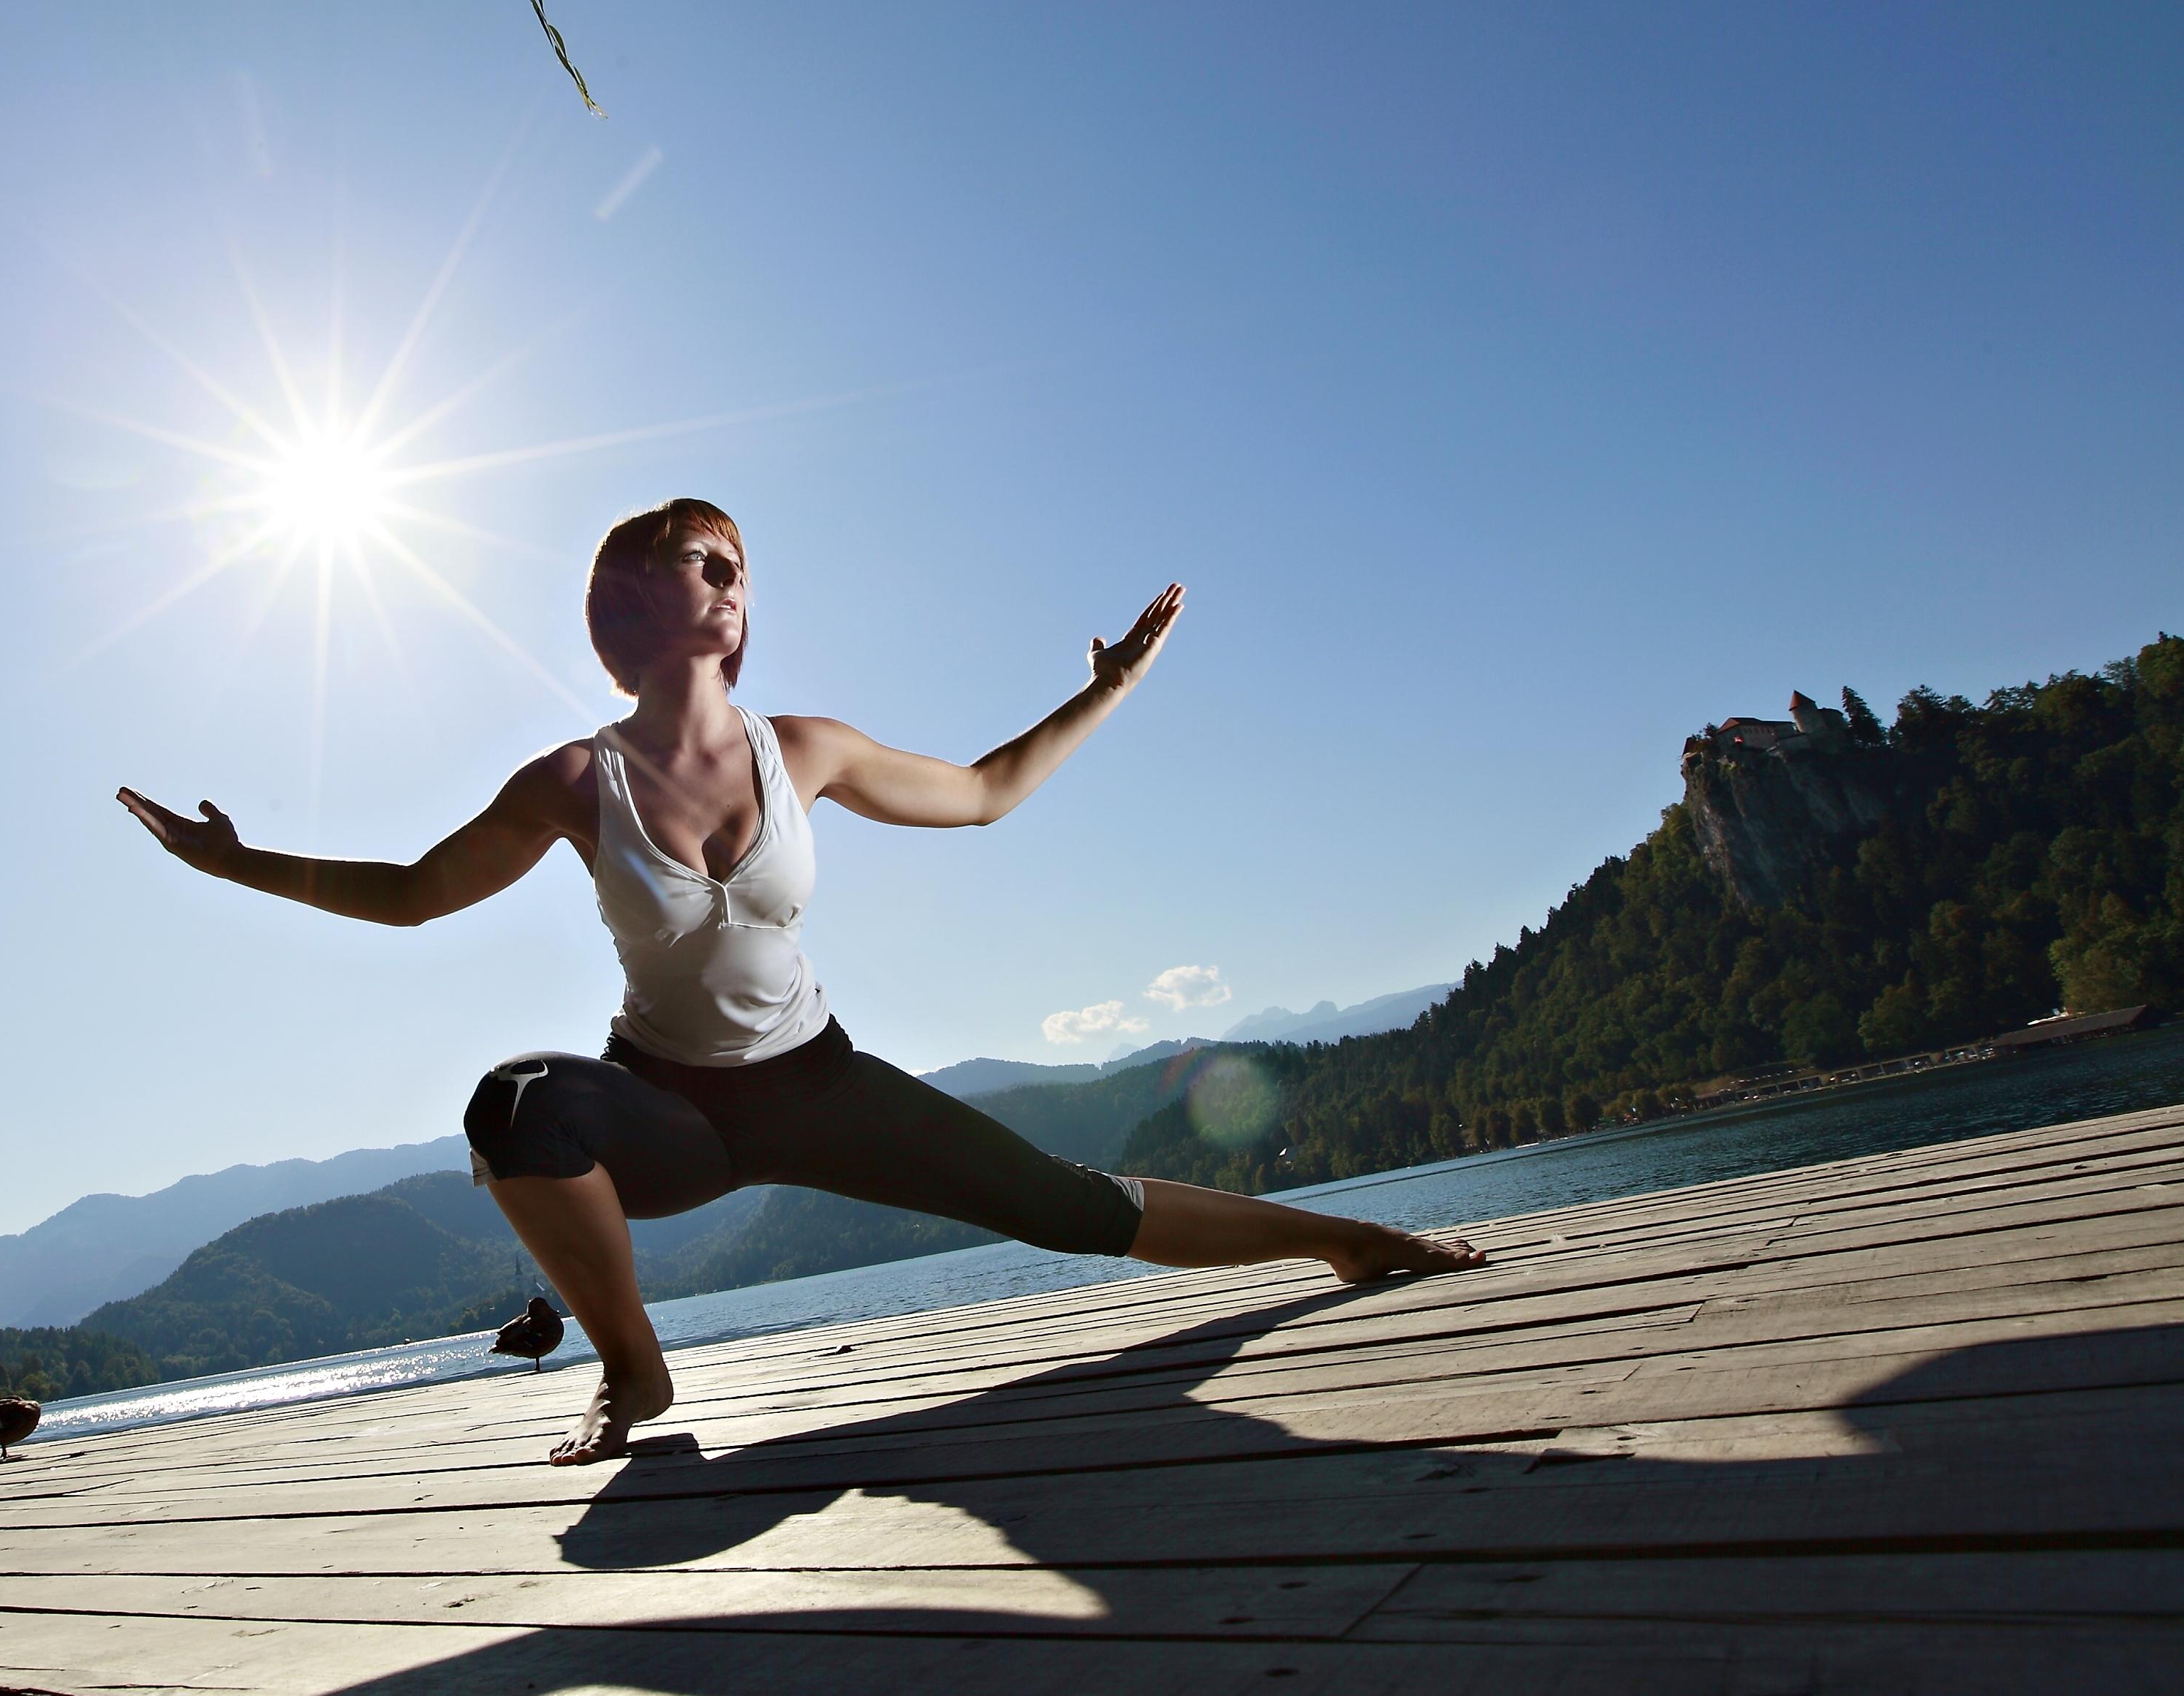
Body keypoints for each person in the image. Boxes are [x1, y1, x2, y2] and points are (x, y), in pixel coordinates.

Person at [119, 498, 1484, 1465]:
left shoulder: (805, 747)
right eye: (705, 560)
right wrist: (237, 864)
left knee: (1066, 1210)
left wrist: (1110, 688)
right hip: (666, 1113)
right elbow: (414, 894)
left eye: (740, 564)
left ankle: (1339, 1239)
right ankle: (630, 1368)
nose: (735, 579)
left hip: (820, 1084)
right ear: (639, 603)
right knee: (513, 1106)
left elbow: (988, 793)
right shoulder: (573, 780)